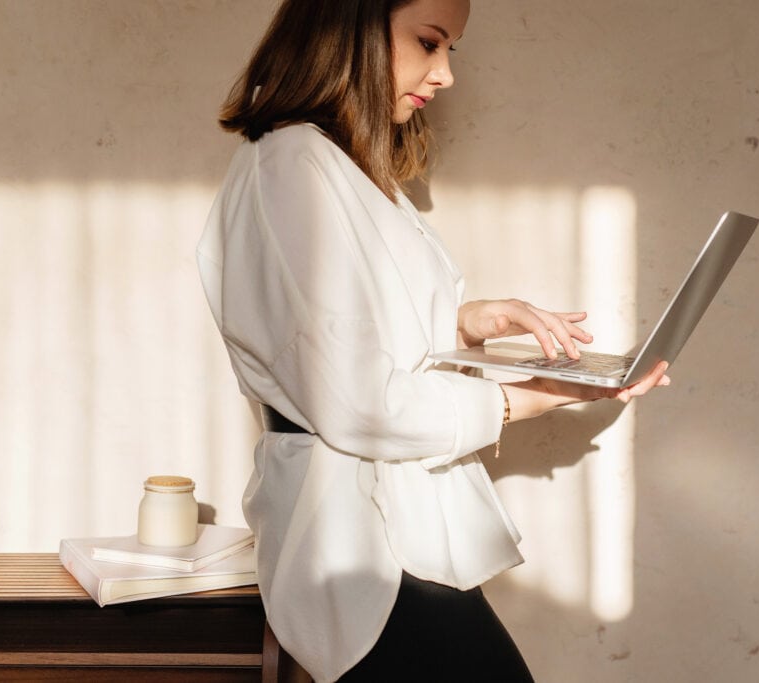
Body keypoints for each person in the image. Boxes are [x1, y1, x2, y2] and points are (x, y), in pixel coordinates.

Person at [197, 0, 670, 680]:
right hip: (359, 544)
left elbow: (342, 336)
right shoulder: (293, 165)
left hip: (396, 534)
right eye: (428, 42)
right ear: (348, 26)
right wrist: (527, 396)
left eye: (451, 50)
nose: (444, 74)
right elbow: (357, 400)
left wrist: (469, 320)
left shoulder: (345, 169)